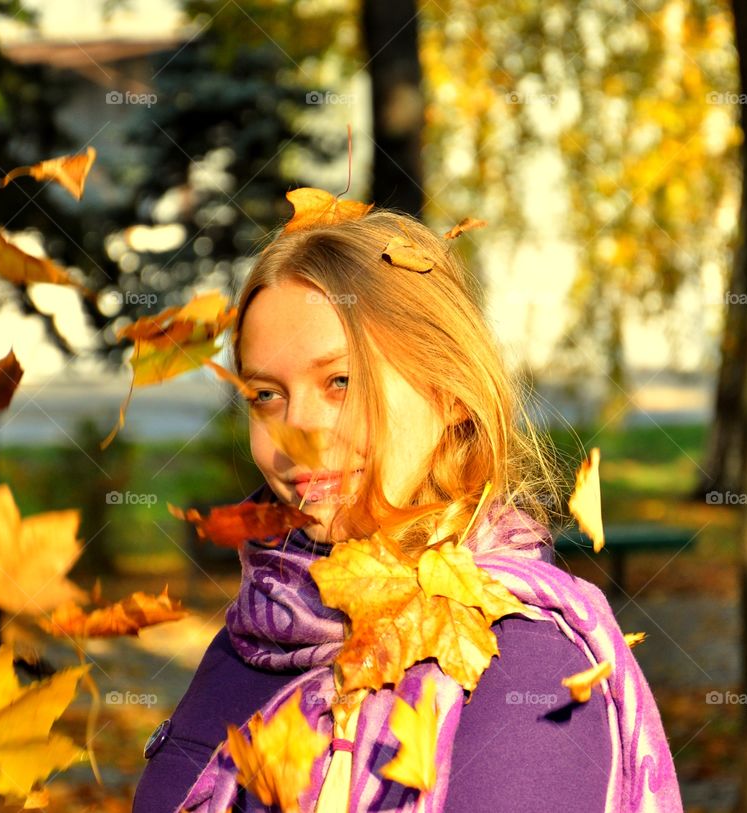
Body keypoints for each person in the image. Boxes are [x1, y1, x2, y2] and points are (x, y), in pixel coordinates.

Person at [132, 201, 684, 812]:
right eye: (266, 394)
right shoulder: (258, 629)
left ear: (449, 392)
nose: (299, 431)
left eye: (341, 382)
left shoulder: (523, 664)